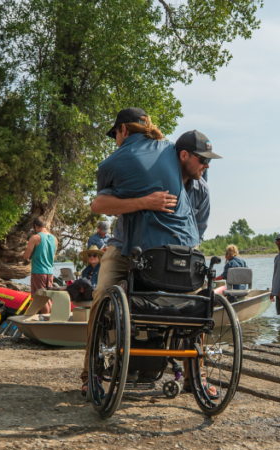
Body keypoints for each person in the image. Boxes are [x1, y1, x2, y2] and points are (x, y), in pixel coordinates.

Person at [80, 107, 201, 397]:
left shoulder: (160, 154)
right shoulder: (163, 154)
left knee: (192, 305)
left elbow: (97, 206)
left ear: (122, 130)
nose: (116, 141)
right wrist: (145, 201)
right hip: (126, 247)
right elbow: (99, 206)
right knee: (102, 297)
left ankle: (193, 376)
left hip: (152, 250)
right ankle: (90, 372)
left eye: (115, 135)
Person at [174, 130, 221, 243]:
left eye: (209, 160)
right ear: (184, 155)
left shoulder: (203, 190)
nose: (207, 166)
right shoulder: (159, 181)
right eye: (203, 159)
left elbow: (198, 232)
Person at [22, 217, 57, 314]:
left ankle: (45, 322)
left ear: (36, 226)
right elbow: (53, 256)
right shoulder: (55, 239)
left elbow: (26, 256)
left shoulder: (35, 238)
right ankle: (51, 320)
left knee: (40, 299)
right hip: (49, 272)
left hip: (38, 272)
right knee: (47, 298)